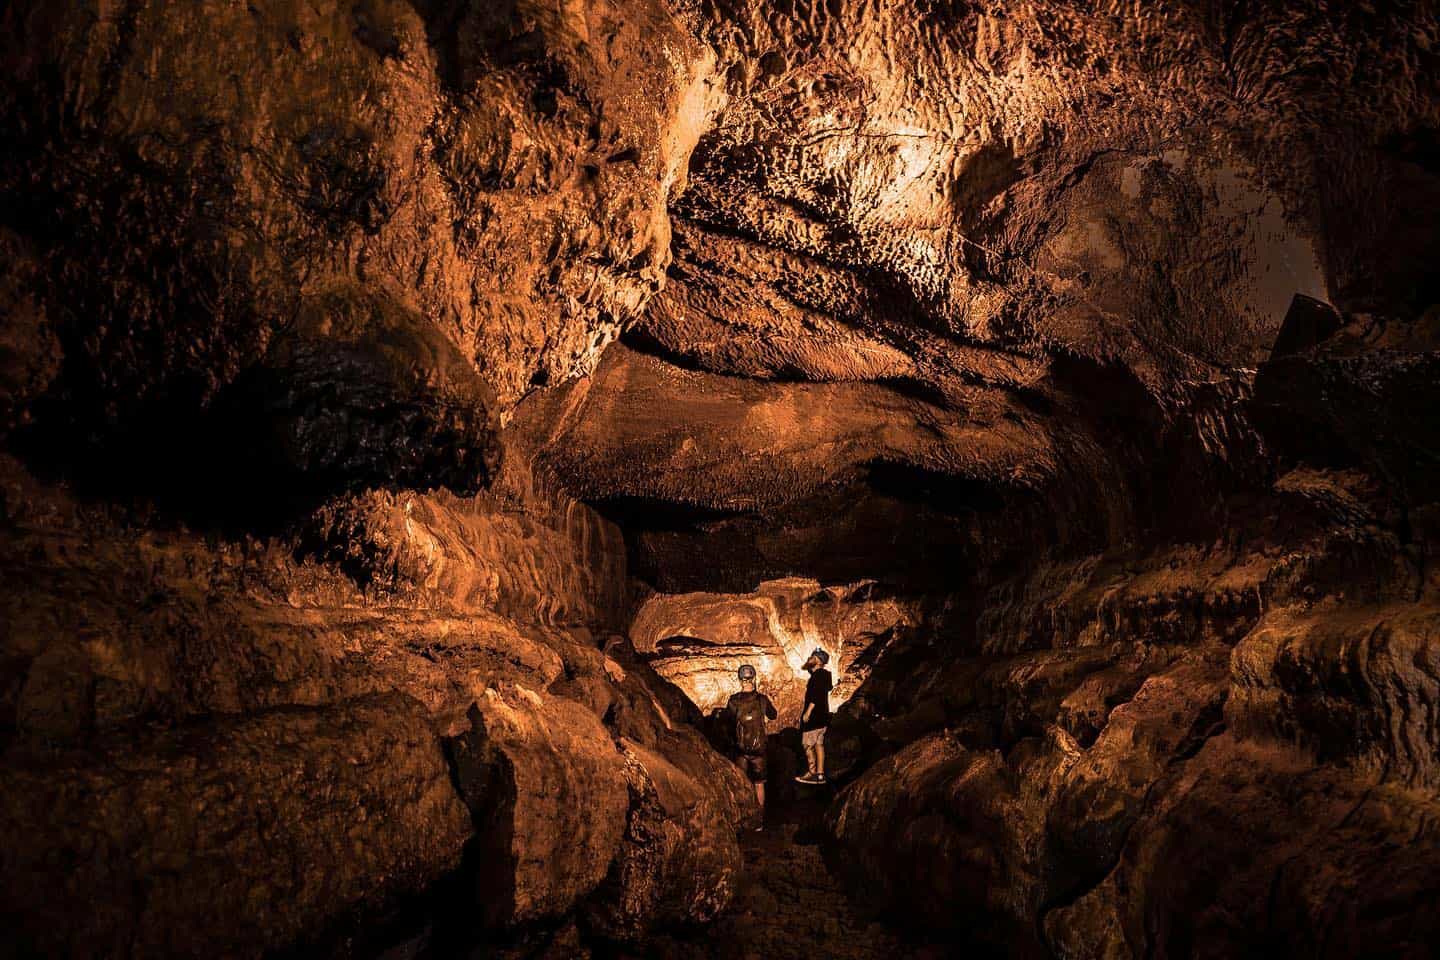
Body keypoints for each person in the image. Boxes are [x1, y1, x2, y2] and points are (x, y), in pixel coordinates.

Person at [724, 663, 778, 826]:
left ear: (740, 680)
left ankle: (742, 818)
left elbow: (728, 722)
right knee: (759, 784)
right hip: (759, 749)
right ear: (753, 678)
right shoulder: (761, 699)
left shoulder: (734, 701)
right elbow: (773, 715)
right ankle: (759, 820)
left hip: (741, 749)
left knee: (741, 782)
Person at [795, 648, 832, 784]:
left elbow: (815, 695)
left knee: (807, 745)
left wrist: (808, 712)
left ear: (817, 660)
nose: (809, 658)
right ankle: (820, 774)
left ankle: (812, 772)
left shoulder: (817, 676)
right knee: (819, 745)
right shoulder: (824, 676)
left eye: (812, 657)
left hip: (814, 718)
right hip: (823, 717)